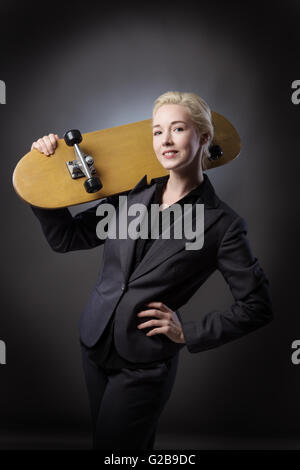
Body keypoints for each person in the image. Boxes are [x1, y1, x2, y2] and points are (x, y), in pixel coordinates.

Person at [29, 91, 273, 450]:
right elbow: (66, 238)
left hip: (144, 363)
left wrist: (186, 332)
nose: (166, 140)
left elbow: (257, 305)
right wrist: (42, 176)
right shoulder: (132, 194)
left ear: (204, 137)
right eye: (158, 131)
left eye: (178, 128)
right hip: (94, 343)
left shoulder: (223, 225)